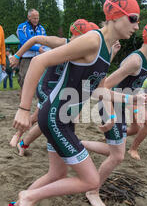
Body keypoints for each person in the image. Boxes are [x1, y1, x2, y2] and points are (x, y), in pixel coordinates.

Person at [3, 0, 147, 206]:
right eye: (133, 18)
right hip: (54, 118)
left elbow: (99, 90)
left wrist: (130, 100)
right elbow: (40, 61)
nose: (136, 25)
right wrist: (23, 108)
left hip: (63, 119)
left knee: (57, 173)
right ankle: (28, 197)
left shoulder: (106, 49)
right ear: (115, 16)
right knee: (90, 180)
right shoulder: (93, 40)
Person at [80, 20, 147, 206]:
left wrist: (137, 100)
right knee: (117, 156)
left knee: (114, 152)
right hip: (110, 105)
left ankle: (80, 145)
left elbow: (131, 88)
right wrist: (112, 117)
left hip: (121, 106)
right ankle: (92, 191)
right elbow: (104, 87)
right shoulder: (136, 61)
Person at [8, 20, 111, 157]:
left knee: (43, 117)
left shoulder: (88, 51)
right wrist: (17, 55)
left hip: (62, 90)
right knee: (51, 118)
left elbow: (92, 78)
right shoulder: (63, 43)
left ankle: (23, 139)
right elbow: (35, 39)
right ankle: (22, 140)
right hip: (47, 87)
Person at [16, 9, 47, 97]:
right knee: (24, 80)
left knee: (41, 81)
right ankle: (22, 106)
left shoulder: (41, 28)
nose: (36, 20)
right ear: (29, 17)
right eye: (34, 18)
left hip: (39, 58)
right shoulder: (22, 27)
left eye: (37, 18)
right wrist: (38, 48)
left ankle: (39, 105)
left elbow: (45, 40)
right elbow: (24, 42)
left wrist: (42, 48)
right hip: (26, 58)